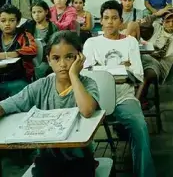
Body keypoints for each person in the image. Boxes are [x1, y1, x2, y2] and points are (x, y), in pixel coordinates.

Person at [0, 31, 99, 176]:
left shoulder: (88, 84)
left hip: (80, 158)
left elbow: (87, 110)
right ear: (48, 60)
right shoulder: (41, 86)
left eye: (70, 57)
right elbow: (7, 105)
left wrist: (73, 75)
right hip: (48, 158)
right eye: (56, 58)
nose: (63, 64)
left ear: (80, 58)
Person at [83, 0, 156, 177]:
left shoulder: (130, 42)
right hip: (97, 97)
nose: (110, 22)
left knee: (140, 127)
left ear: (121, 21)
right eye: (106, 18)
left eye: (114, 18)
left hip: (124, 96)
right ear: (101, 20)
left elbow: (137, 74)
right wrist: (121, 68)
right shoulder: (92, 42)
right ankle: (83, 168)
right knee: (80, 130)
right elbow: (87, 74)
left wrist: (103, 69)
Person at [138, 7, 173, 104]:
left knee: (147, 72)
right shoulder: (156, 27)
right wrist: (156, 15)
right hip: (144, 58)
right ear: (162, 22)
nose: (171, 24)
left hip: (160, 64)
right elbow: (142, 25)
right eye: (167, 21)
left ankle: (138, 100)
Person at [0, 4, 37, 100]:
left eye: (11, 20)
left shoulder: (24, 35)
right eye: (3, 21)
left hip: (19, 78)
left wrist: (9, 54)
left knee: (20, 92)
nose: (7, 24)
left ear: (18, 22)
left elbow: (32, 50)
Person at [24, 0, 58, 78]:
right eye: (34, 12)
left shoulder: (53, 28)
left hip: (46, 58)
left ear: (46, 12)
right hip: (30, 56)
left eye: (39, 12)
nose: (36, 15)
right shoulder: (28, 25)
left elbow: (55, 47)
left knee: (40, 70)